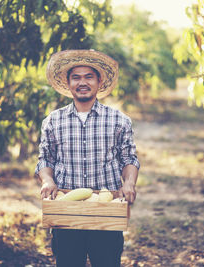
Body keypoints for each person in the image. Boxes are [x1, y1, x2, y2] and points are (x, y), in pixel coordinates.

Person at [35, 49, 140, 267]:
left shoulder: (119, 120)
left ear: (99, 82)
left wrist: (129, 183)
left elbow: (129, 158)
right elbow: (45, 159)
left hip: (107, 211)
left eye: (88, 76)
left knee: (107, 262)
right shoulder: (53, 121)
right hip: (66, 211)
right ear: (68, 82)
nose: (82, 82)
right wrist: (47, 180)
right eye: (76, 77)